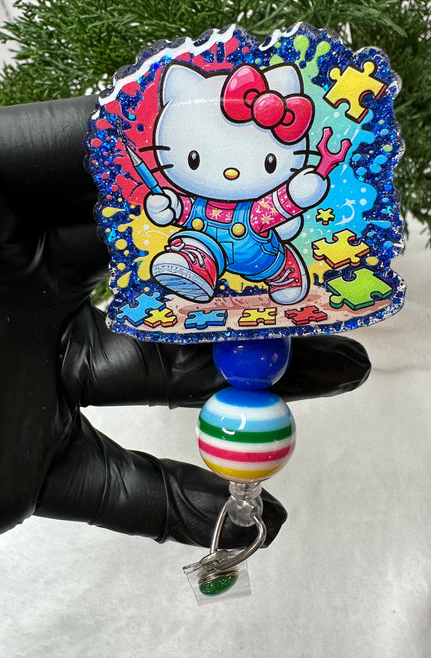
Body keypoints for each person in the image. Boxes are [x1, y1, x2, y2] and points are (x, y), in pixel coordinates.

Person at [0, 95, 371, 550]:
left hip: (268, 261)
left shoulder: (258, 208)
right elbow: (178, 210)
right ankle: (195, 267)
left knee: (277, 274)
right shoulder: (202, 208)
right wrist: (165, 210)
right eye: (196, 158)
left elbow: (284, 203)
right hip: (210, 252)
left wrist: (307, 186)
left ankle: (274, 277)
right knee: (194, 246)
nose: (230, 173)